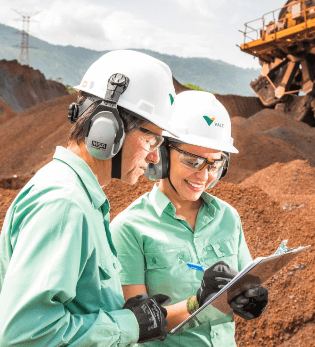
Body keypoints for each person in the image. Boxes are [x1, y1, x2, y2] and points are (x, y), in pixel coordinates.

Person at [0, 50, 180, 346]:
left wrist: (126, 315)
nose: (153, 156)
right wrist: (130, 325)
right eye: (151, 139)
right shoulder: (64, 204)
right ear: (108, 128)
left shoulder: (82, 199)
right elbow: (24, 336)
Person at [111, 90, 269, 347]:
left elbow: (245, 282)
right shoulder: (129, 228)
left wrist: (250, 300)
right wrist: (198, 302)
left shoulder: (228, 217)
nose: (203, 176)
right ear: (161, 155)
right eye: (192, 161)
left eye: (213, 164)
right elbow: (134, 326)